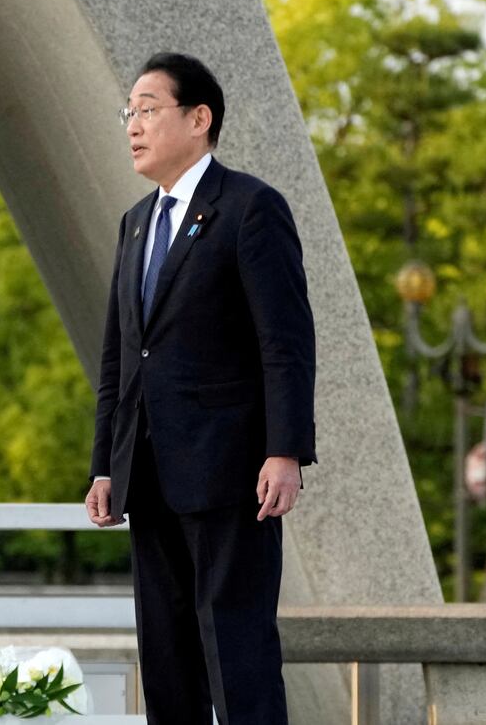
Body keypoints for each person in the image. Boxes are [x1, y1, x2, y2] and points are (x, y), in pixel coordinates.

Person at [85, 52, 316, 723]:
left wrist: (285, 452)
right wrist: (105, 464)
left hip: (230, 474)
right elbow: (119, 361)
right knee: (167, 659)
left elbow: (286, 342)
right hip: (149, 475)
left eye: (148, 109)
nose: (133, 124)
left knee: (237, 650)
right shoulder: (134, 222)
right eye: (129, 111)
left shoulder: (250, 208)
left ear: (199, 118)